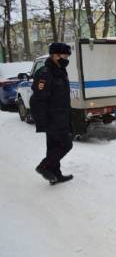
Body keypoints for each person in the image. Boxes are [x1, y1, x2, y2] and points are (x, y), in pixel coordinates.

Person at [30, 42, 74, 185]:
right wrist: (43, 122)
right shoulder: (45, 73)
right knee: (66, 145)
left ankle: (55, 175)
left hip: (62, 116)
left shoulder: (60, 71)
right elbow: (38, 100)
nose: (66, 58)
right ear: (54, 55)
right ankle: (44, 166)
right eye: (64, 55)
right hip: (53, 118)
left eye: (67, 55)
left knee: (54, 147)